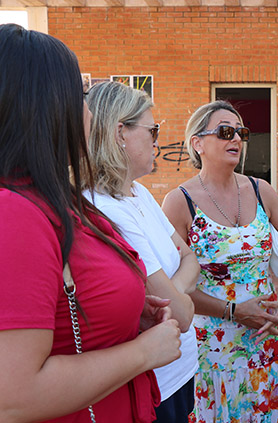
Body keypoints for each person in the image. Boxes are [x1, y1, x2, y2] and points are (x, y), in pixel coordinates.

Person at [0, 24, 181, 422]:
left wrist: (127, 311)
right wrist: (142, 353)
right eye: (82, 95)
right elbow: (13, 395)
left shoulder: (51, 198)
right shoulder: (15, 213)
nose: (90, 111)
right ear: (48, 105)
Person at [162, 100, 278, 422]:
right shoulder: (179, 202)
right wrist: (233, 311)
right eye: (224, 132)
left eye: (240, 132)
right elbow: (170, 287)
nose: (236, 139)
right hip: (213, 351)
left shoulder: (261, 191)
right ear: (197, 143)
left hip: (268, 339)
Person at [83, 81, 201, 423]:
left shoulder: (139, 193)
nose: (158, 141)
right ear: (120, 132)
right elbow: (181, 315)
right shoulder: (106, 210)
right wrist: (180, 299)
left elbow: (191, 258)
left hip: (179, 369)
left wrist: (173, 294)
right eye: (153, 130)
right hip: (156, 384)